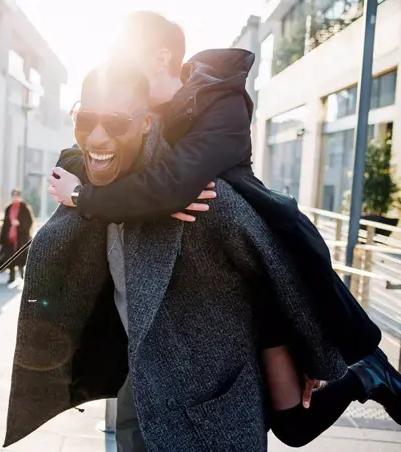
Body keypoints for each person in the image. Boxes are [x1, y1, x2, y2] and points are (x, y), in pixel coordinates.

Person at [48, 10, 400, 440]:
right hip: (205, 303)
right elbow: (89, 151)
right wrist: (143, 192)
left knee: (293, 423)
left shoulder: (220, 103)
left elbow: (175, 185)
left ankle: (368, 373)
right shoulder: (144, 114)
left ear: (159, 59)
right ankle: (364, 375)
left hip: (261, 275)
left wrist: (114, 195)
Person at [4, 62, 349, 452]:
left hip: (213, 412)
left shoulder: (201, 199)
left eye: (116, 123)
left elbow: (276, 264)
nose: (97, 136)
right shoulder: (83, 188)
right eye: (86, 120)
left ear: (147, 123)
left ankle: (367, 376)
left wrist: (310, 354)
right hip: (139, 392)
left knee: (297, 428)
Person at [0, 189, 34, 284]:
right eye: (14, 195)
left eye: (17, 195)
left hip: (21, 237)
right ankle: (12, 276)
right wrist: (2, 237)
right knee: (10, 256)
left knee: (21, 256)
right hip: (10, 236)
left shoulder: (24, 208)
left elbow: (30, 221)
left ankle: (22, 273)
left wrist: (20, 224)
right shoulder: (9, 208)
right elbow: (5, 223)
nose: (15, 197)